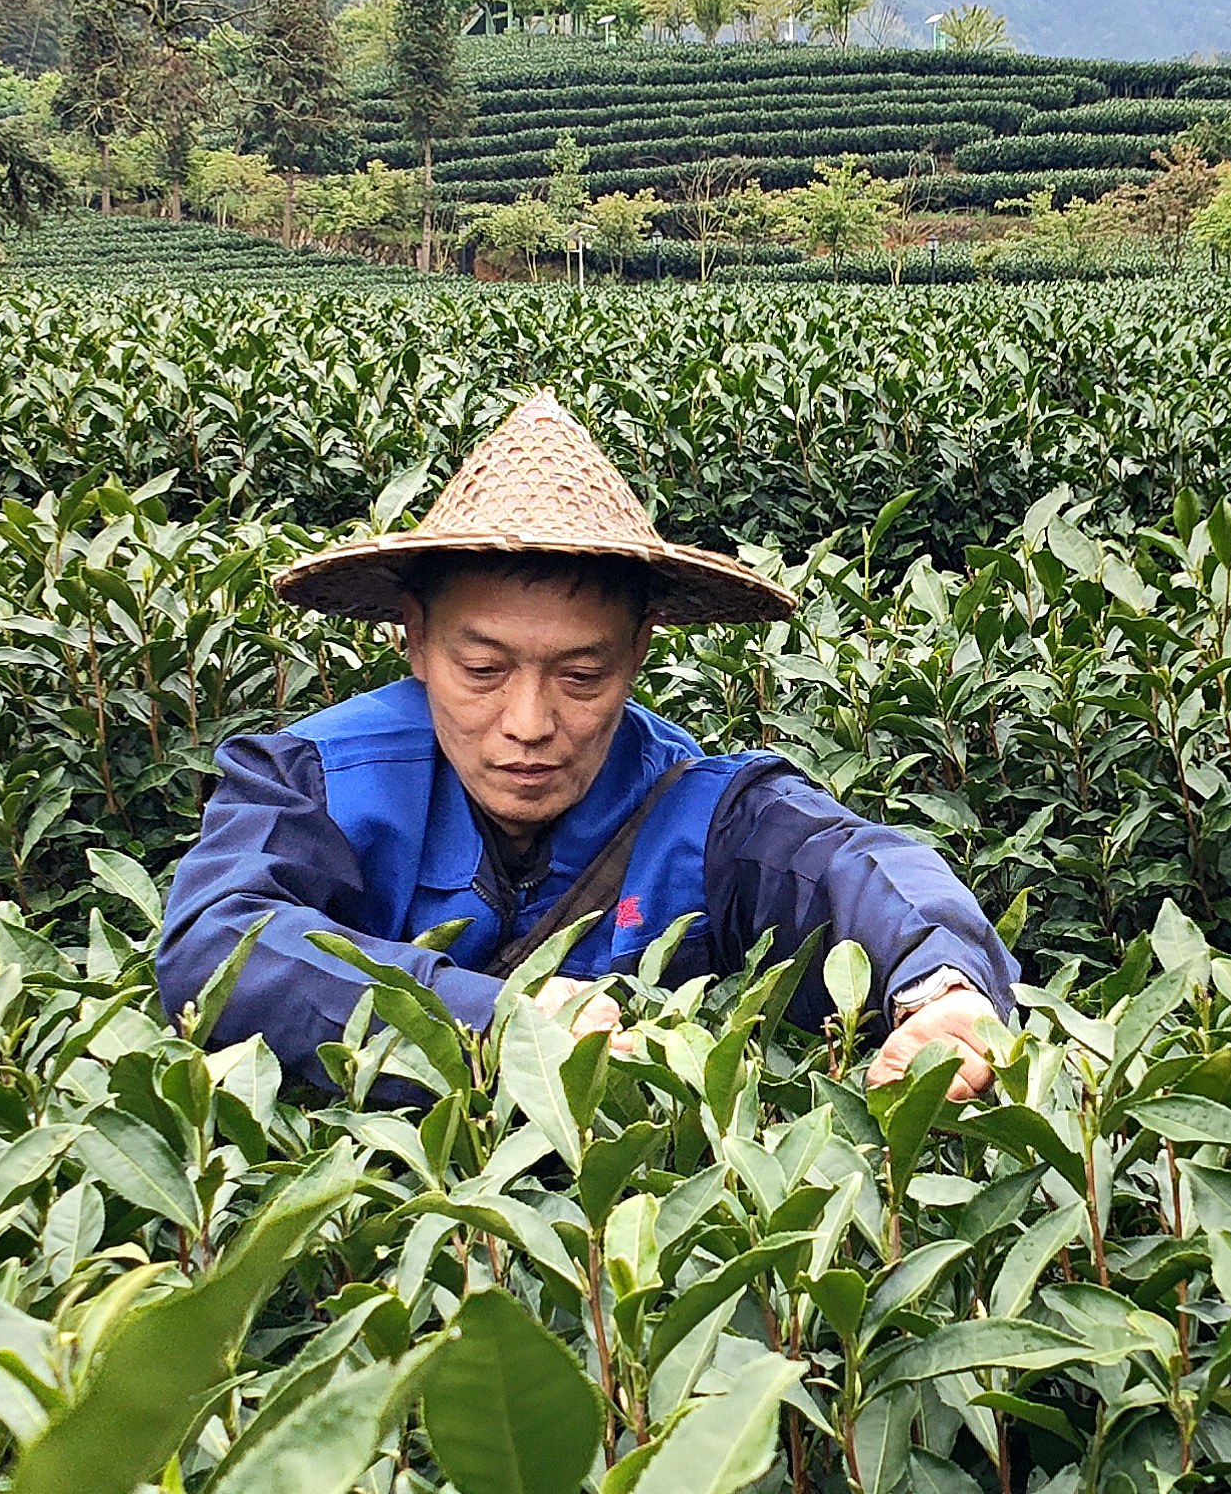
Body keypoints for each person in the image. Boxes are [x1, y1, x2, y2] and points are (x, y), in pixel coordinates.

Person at [158, 393, 1018, 1101]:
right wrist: (495, 1019)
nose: (529, 723)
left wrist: (945, 989)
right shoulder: (309, 782)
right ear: (414, 640)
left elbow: (854, 863)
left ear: (639, 650)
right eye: (483, 669)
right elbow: (218, 947)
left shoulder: (701, 808)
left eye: (581, 676)